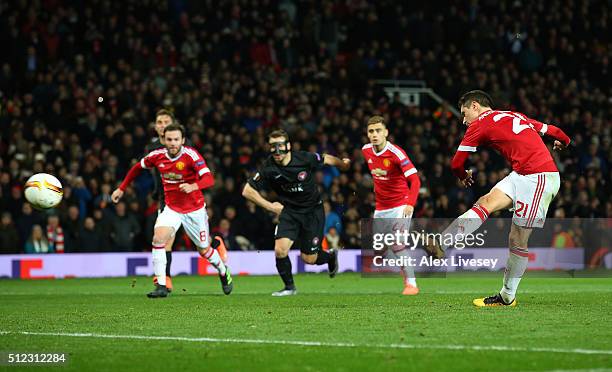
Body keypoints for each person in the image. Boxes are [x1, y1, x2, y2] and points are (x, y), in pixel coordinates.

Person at [425, 90, 570, 307]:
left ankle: (507, 296)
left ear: (475, 106)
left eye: (464, 114)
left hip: (539, 177)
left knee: (517, 239)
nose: (464, 121)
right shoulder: (514, 115)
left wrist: (463, 177)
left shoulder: (480, 123)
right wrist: (564, 142)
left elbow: (456, 164)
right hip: (521, 174)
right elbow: (555, 131)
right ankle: (443, 243)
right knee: (486, 202)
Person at [111, 123, 232, 298]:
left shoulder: (191, 155)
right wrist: (121, 188)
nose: (173, 143)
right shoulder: (157, 156)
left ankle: (223, 271)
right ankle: (161, 284)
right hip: (172, 208)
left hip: (194, 210)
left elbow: (209, 179)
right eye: (169, 139)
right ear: (164, 140)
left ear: (182, 140)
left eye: (176, 139)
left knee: (204, 250)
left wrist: (193, 186)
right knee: (158, 238)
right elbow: (137, 167)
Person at [242, 129, 351, 296]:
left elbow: (326, 158)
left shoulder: (304, 158)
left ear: (288, 146)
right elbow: (247, 191)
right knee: (280, 250)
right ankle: (289, 288)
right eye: (273, 146)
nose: (277, 150)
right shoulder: (268, 167)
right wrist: (271, 207)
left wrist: (343, 164)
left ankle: (329, 257)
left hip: (312, 211)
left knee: (309, 259)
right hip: (290, 212)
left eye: (280, 145)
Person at [144, 109, 228, 291]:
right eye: (159, 122)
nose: (163, 124)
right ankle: (164, 282)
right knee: (164, 240)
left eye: (166, 121)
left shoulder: (184, 145)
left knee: (201, 246)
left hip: (190, 199)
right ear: (155, 127)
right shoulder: (151, 148)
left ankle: (216, 244)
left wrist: (193, 187)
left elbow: (201, 172)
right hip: (166, 199)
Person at [362, 115, 422, 295]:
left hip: (401, 205)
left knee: (397, 245)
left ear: (386, 132)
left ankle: (411, 284)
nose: (374, 134)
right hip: (381, 207)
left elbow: (415, 180)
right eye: (371, 131)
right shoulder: (366, 150)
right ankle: (387, 250)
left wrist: (410, 204)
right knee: (379, 246)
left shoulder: (396, 153)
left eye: (378, 130)